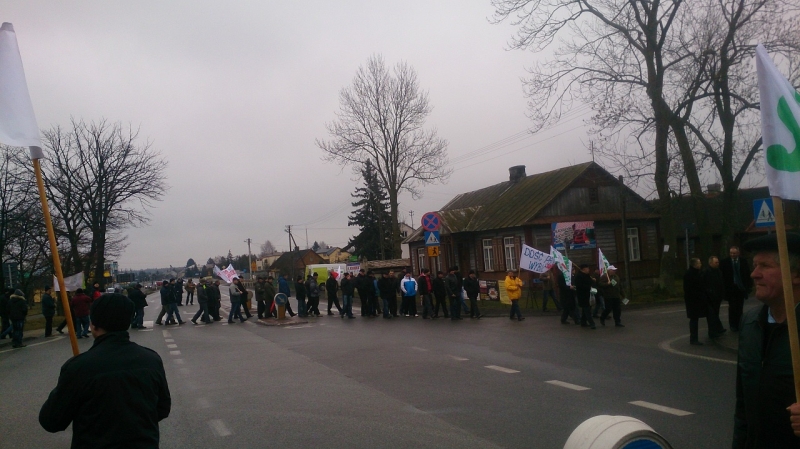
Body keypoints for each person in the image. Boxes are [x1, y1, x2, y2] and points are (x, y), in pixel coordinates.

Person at [39, 293, 171, 448]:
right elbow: (162, 409)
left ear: (93, 324)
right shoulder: (151, 360)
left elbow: (52, 421)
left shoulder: (79, 367)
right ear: (128, 321)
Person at [733, 233, 800, 448]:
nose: (754, 274)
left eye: (765, 265)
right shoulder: (750, 323)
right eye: (754, 265)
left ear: (796, 274)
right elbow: (743, 408)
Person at [721, 246, 753, 332]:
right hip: (730, 288)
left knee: (739, 307)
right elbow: (723, 277)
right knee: (732, 307)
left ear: (738, 253)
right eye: (731, 253)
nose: (732, 255)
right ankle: (733, 325)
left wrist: (749, 286)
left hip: (740, 288)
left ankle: (739, 324)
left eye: (734, 253)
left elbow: (747, 274)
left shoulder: (743, 261)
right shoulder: (725, 262)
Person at [684, 258, 709, 345]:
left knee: (694, 319)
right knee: (694, 320)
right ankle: (693, 339)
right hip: (693, 301)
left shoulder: (695, 273)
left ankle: (694, 338)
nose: (700, 264)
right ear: (695, 265)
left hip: (694, 300)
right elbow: (690, 289)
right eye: (699, 263)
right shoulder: (690, 275)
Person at [705, 256, 727, 338]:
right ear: (710, 263)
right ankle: (713, 331)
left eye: (718, 262)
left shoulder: (718, 271)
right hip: (710, 297)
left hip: (717, 297)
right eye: (716, 262)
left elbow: (721, 283)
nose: (717, 264)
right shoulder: (707, 272)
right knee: (712, 315)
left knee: (715, 314)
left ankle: (717, 329)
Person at [574, 264, 595, 329]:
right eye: (587, 268)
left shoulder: (587, 275)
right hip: (582, 295)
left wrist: (593, 281)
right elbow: (580, 286)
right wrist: (588, 287)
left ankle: (583, 322)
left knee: (585, 309)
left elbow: (590, 282)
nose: (588, 270)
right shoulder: (579, 276)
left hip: (588, 295)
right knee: (587, 309)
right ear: (584, 269)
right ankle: (592, 323)